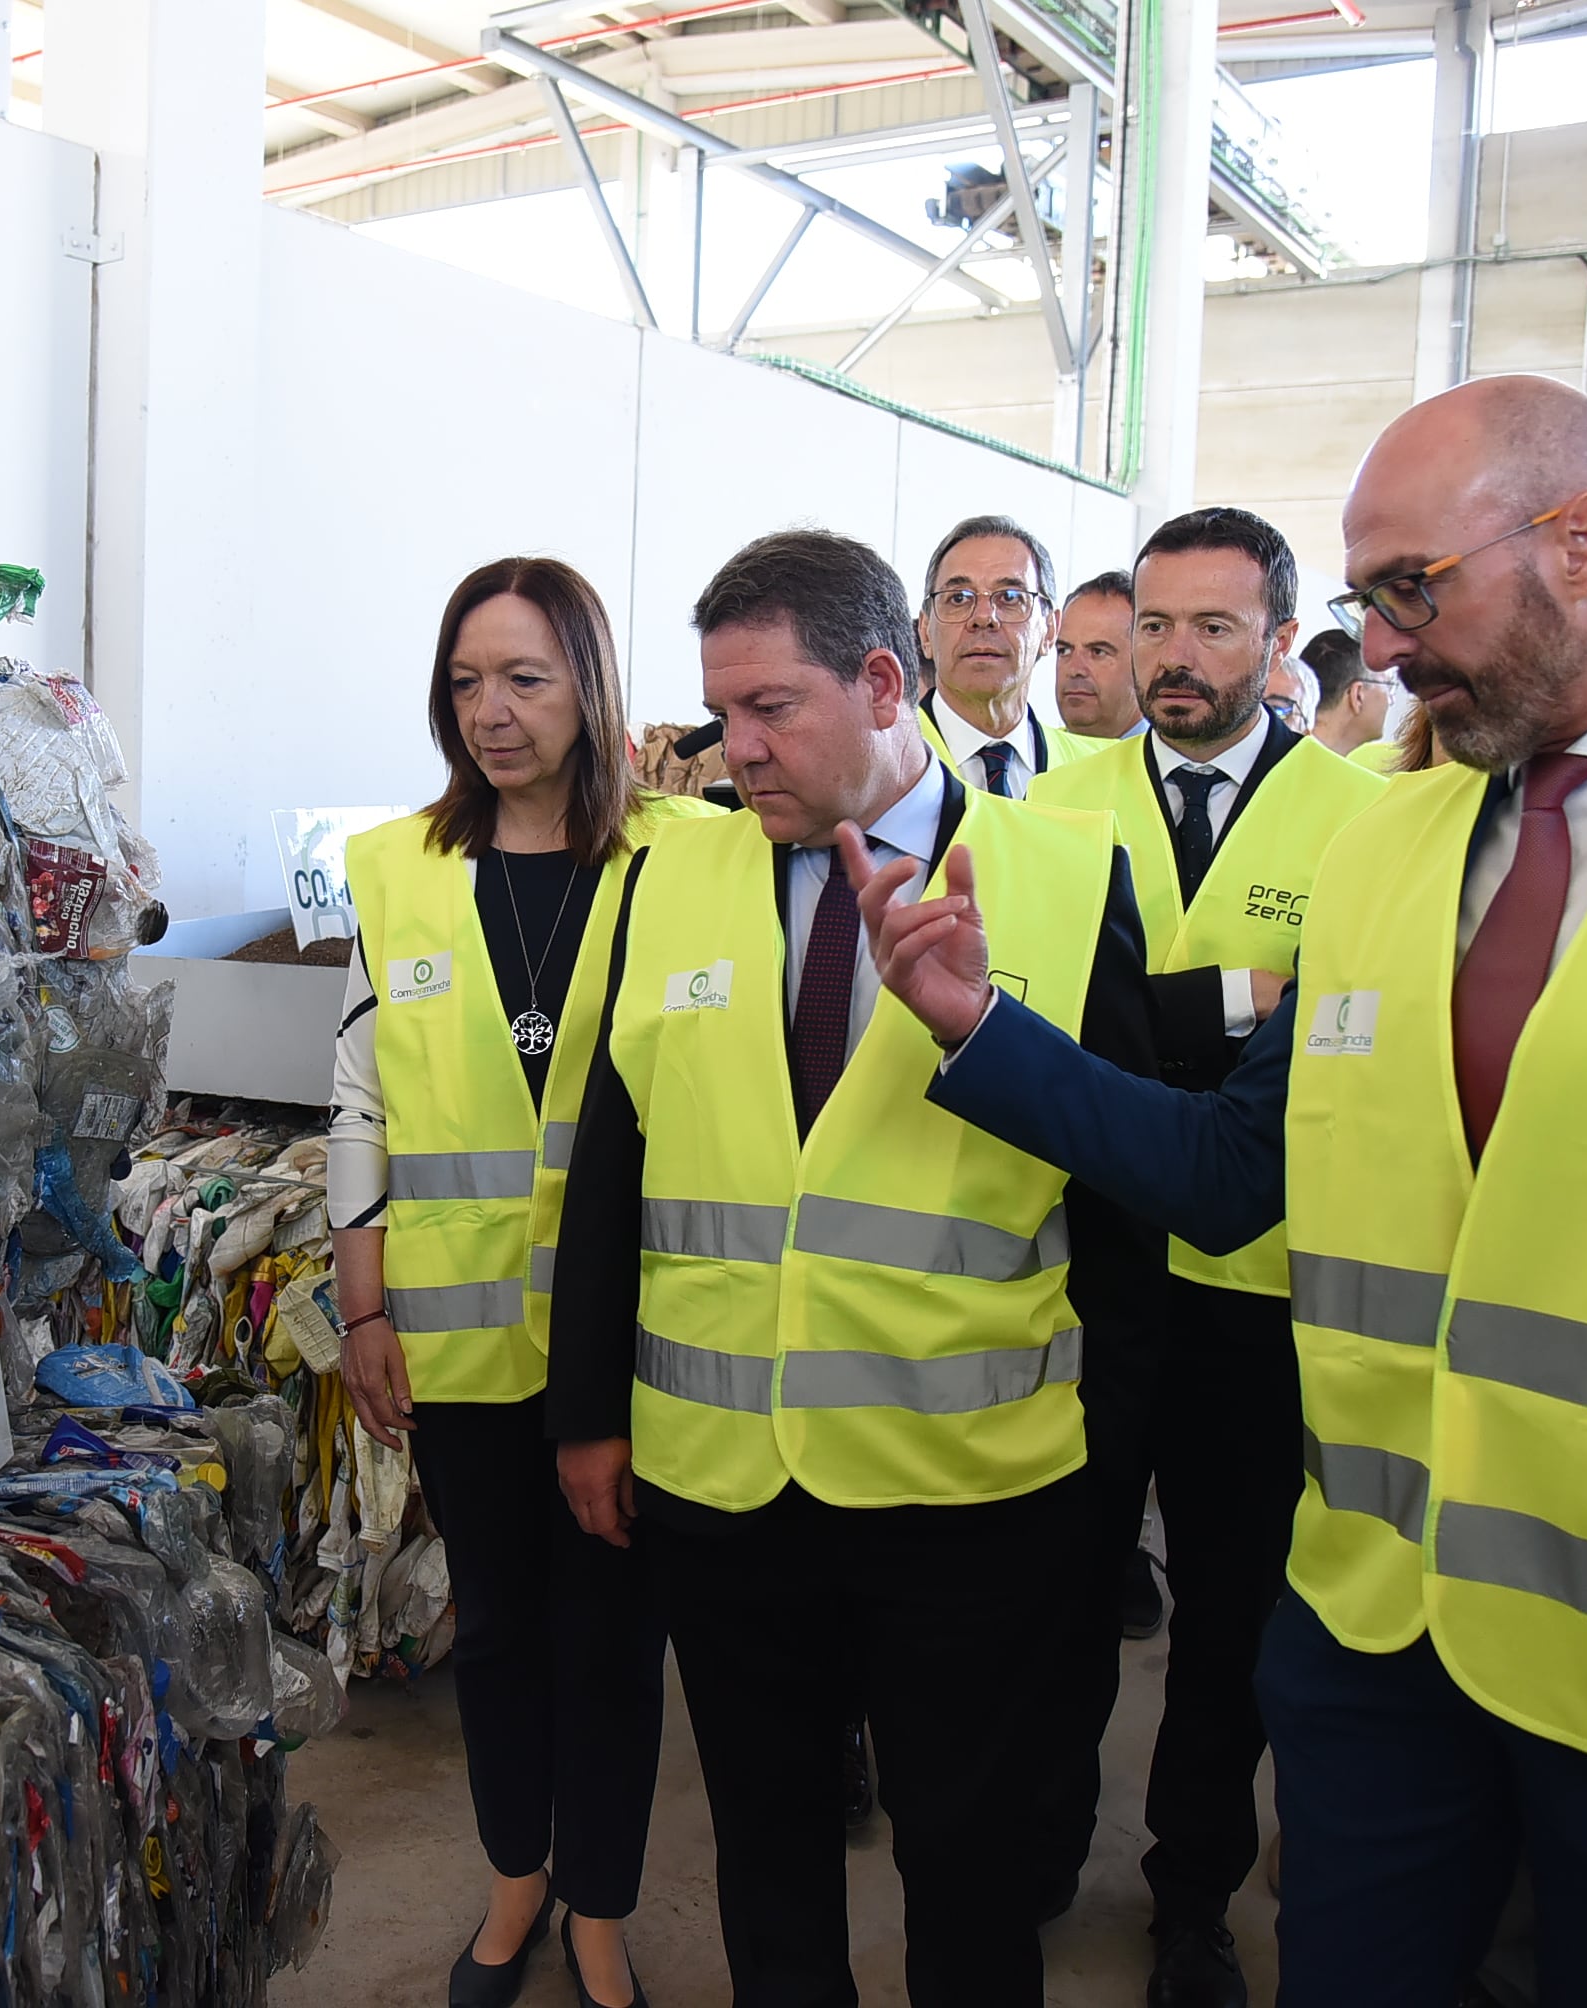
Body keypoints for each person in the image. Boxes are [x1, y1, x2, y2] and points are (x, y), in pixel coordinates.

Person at [852, 373, 1587, 2005]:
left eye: (1404, 591)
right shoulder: (1384, 845)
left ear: (1585, 538)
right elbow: (1239, 1172)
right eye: (1365, 596)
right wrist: (980, 1031)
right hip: (1374, 1651)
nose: (1373, 650)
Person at [547, 528, 1160, 2006]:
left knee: (968, 1861)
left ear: (884, 683)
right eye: (719, 715)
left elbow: (1131, 1210)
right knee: (766, 1848)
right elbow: (612, 1168)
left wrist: (1108, 1492)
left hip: (969, 1497)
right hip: (725, 1482)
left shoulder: (1066, 879)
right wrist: (587, 1413)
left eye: (772, 711)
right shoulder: (667, 883)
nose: (734, 749)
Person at [331, 557, 715, 2008]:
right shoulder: (397, 868)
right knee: (494, 1625)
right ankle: (514, 1885)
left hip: (631, 1337)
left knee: (615, 1636)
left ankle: (601, 1907)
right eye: (465, 683)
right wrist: (362, 1309)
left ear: (592, 687)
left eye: (526, 679)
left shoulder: (680, 855)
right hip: (456, 1337)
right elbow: (358, 1099)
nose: (490, 713)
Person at [1029, 507, 1387, 2008]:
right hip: (1085, 1279)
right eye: (1155, 628)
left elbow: (1343, 1043)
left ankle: (1191, 1897)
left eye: (1215, 629)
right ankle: (1039, 1846)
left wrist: (1152, 1020)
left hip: (1259, 1296)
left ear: (1278, 638)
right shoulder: (1055, 808)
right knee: (1057, 1595)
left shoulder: (1369, 821)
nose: (1178, 660)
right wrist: (1240, 1002)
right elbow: (1038, 1027)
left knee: (1230, 1624)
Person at [910, 513, 1103, 795]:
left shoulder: (1097, 773)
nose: (984, 617)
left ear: (1050, 629)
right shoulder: (880, 764)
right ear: (926, 631)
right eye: (959, 598)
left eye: (1010, 597)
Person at [1055, 570, 1146, 740]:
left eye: (1098, 652)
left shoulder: (1166, 762)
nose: (1074, 670)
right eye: (1064, 651)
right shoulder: (1039, 758)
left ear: (1143, 661)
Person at [1300, 627, 1392, 760]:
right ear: (1358, 696)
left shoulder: (1281, 755)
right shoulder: (1332, 776)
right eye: (1389, 686)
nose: (1390, 700)